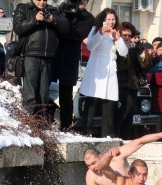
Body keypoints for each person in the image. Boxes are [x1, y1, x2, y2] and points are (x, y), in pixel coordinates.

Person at [83, 125, 162, 185]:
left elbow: (140, 141)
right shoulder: (91, 175)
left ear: (101, 156)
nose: (92, 168)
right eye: (88, 165)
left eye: (94, 163)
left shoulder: (116, 156)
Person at [13, 0, 69, 118]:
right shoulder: (24, 8)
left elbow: (65, 26)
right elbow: (18, 28)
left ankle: (41, 123)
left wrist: (53, 20)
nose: (42, 2)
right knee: (30, 93)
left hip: (48, 56)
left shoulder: (53, 10)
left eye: (44, 0)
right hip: (30, 54)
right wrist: (35, 20)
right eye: (39, 0)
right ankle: (28, 122)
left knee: (44, 94)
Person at [79, 8, 128, 137]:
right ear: (103, 20)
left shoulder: (116, 33)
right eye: (108, 19)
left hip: (110, 69)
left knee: (109, 102)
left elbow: (124, 52)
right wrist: (100, 34)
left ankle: (108, 133)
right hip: (96, 68)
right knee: (92, 100)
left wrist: (117, 39)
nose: (111, 22)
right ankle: (86, 131)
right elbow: (90, 46)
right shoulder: (95, 30)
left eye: (113, 19)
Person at [51, 0, 94, 131]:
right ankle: (41, 120)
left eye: (84, 0)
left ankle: (66, 125)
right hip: (54, 53)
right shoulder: (62, 10)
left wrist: (62, 25)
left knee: (66, 92)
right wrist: (62, 15)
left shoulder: (88, 18)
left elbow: (78, 35)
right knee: (43, 87)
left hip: (70, 57)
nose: (80, 2)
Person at [115, 22, 151, 140]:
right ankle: (117, 136)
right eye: (124, 35)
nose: (126, 38)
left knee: (130, 112)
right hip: (118, 84)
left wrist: (141, 51)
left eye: (129, 35)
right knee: (121, 112)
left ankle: (126, 138)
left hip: (132, 84)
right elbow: (120, 67)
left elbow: (145, 65)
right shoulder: (115, 47)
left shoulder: (134, 48)